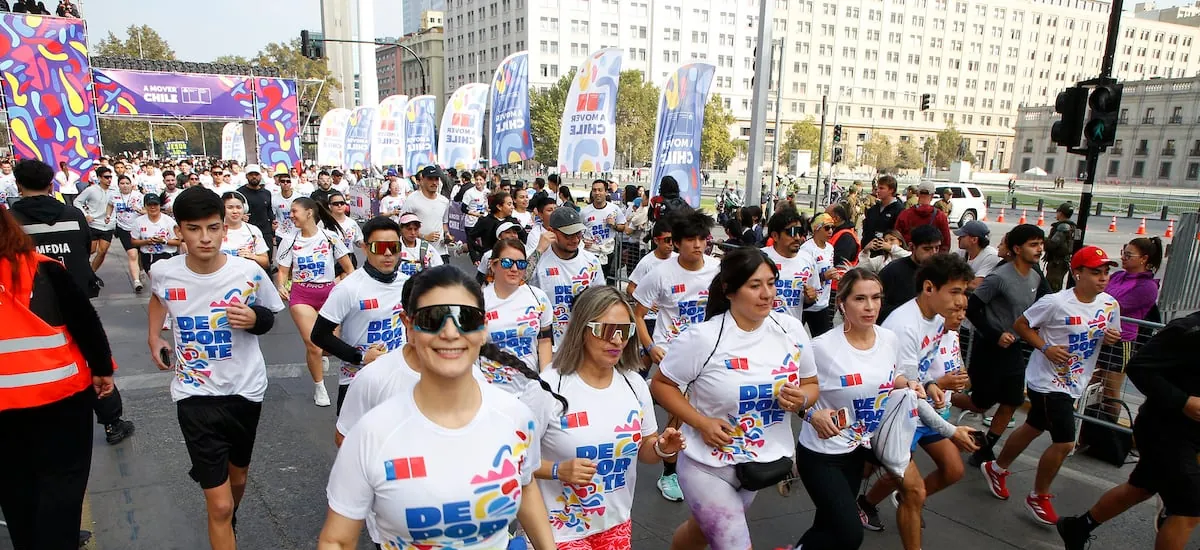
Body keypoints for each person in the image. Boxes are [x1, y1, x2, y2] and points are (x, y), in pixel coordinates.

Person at [317, 266, 558, 550]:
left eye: (466, 318)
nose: (450, 333)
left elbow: (525, 484)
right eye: (432, 319)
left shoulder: (516, 418)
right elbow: (336, 540)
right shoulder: (372, 433)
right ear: (409, 326)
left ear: (483, 330)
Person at [650, 247, 818, 550]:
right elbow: (661, 385)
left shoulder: (790, 329)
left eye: (771, 282)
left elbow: (811, 384)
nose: (767, 293)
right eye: (755, 285)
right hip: (706, 465)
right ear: (729, 290)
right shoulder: (703, 337)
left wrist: (802, 398)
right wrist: (701, 423)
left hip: (757, 463)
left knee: (700, 532)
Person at [146, 187, 285, 550]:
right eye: (194, 229)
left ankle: (226, 517)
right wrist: (154, 337)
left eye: (213, 228)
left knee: (237, 481)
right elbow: (157, 300)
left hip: (244, 390)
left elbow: (270, 317)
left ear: (226, 229)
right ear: (179, 231)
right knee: (219, 504)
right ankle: (222, 518)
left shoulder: (248, 271)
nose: (204, 238)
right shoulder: (163, 271)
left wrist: (255, 318)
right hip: (194, 393)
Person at [0, 205, 117, 550]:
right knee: (62, 484)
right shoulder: (44, 269)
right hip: (60, 397)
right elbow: (85, 322)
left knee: (13, 487)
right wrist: (102, 370)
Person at [981, 246, 1122, 525]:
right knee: (1065, 442)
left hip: (1074, 381)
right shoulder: (1056, 302)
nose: (1103, 277)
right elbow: (1021, 325)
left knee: (1034, 424)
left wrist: (1109, 338)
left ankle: (996, 467)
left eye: (1106, 272)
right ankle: (1038, 496)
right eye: (1096, 272)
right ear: (1077, 273)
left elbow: (1107, 335)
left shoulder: (1110, 305)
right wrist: (1046, 347)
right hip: (1047, 381)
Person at [540, 285, 686, 548]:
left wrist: (663, 448)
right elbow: (510, 460)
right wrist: (556, 470)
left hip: (615, 523)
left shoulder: (634, 384)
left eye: (625, 331)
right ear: (583, 330)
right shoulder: (549, 386)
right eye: (607, 331)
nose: (617, 340)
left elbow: (645, 449)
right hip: (557, 530)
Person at [857, 254, 978, 545]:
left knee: (952, 470)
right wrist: (952, 430)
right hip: (892, 412)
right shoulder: (904, 325)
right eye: (955, 292)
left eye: (964, 292)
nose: (960, 302)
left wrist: (932, 384)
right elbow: (906, 389)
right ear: (928, 288)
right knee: (909, 489)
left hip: (915, 406)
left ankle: (871, 494)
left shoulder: (937, 318)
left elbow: (918, 374)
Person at [1056, 311, 1200, 550]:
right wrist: (1182, 401)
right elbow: (1139, 367)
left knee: (1140, 488)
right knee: (1190, 508)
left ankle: (1078, 527)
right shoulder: (1188, 330)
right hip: (1164, 431)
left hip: (1191, 435)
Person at [633, 210, 719, 503]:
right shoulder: (660, 273)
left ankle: (706, 462)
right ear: (677, 243)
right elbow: (638, 313)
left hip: (709, 350)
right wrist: (649, 347)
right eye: (690, 239)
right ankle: (669, 472)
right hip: (671, 351)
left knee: (708, 405)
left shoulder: (718, 270)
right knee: (679, 409)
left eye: (702, 239)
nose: (697, 245)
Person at [958, 224, 1048, 466]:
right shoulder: (999, 277)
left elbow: (1046, 305)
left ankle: (985, 449)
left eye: (1040, 244)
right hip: (989, 348)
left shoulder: (1036, 277)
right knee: (980, 404)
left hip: (1015, 349)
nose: (1039, 249)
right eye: (1033, 245)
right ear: (1017, 249)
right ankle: (938, 397)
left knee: (1012, 401)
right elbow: (972, 309)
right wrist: (995, 334)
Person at [311, 217, 408, 415]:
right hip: (357, 381)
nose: (388, 253)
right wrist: (361, 357)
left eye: (393, 246)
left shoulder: (408, 284)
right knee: (352, 444)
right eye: (379, 248)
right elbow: (319, 335)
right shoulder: (349, 288)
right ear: (365, 248)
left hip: (398, 379)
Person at [276, 197, 354, 407]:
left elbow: (349, 269)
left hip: (329, 294)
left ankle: (323, 355)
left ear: (309, 212)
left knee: (329, 346)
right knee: (313, 344)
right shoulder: (290, 239)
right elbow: (283, 270)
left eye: (294, 211)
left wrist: (338, 284)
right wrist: (282, 285)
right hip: (302, 295)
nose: (291, 216)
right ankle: (319, 387)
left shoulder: (330, 237)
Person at [1090, 236, 1164, 416]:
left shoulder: (1147, 287)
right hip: (1099, 336)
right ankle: (1087, 428)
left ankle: (1111, 432)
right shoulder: (1118, 276)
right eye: (1124, 252)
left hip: (1120, 342)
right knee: (1089, 384)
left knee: (1110, 392)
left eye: (1129, 255)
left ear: (1144, 259)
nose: (1123, 257)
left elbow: (1113, 304)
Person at [530, 207, 603, 352]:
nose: (575, 239)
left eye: (578, 234)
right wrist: (538, 251)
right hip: (548, 346)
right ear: (551, 231)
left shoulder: (591, 261)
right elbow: (517, 283)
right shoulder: (538, 259)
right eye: (568, 235)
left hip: (582, 344)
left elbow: (601, 301)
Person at [483, 238, 554, 371]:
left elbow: (544, 341)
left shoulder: (539, 298)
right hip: (490, 387)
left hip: (530, 384)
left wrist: (546, 378)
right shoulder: (479, 302)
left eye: (521, 263)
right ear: (493, 265)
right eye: (507, 263)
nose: (514, 269)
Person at [761, 207, 818, 321]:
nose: (797, 237)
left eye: (799, 232)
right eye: (791, 232)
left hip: (791, 331)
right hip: (761, 329)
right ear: (775, 236)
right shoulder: (760, 258)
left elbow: (811, 298)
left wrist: (810, 298)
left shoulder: (808, 260)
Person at [878, 225, 942, 322]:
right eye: (927, 249)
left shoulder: (941, 272)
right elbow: (878, 306)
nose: (933, 253)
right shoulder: (892, 271)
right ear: (912, 247)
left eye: (936, 248)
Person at [799, 213, 842, 337]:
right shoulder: (806, 249)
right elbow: (802, 276)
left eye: (833, 228)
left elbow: (829, 267)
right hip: (806, 304)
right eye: (827, 228)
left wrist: (835, 275)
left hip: (823, 302)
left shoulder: (830, 248)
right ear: (816, 229)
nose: (831, 231)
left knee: (823, 341)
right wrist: (823, 277)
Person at [402, 165, 453, 264]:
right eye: (430, 179)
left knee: (444, 279)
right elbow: (401, 226)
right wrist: (424, 236)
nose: (434, 182)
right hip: (419, 252)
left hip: (441, 252)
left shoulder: (444, 201)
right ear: (422, 179)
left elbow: (444, 223)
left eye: (436, 179)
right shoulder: (412, 199)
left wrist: (447, 235)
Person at [581, 179, 627, 282]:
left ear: (606, 192)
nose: (597, 193)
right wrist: (582, 241)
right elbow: (579, 231)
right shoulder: (585, 212)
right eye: (594, 190)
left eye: (600, 190)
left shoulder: (614, 209)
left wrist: (613, 225)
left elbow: (622, 227)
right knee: (591, 281)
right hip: (591, 253)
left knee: (606, 280)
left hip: (608, 252)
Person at [75, 166, 116, 274]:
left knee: (102, 251)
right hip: (93, 224)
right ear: (99, 178)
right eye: (106, 177)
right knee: (91, 250)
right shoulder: (91, 190)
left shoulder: (115, 190)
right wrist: (85, 214)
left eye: (110, 177)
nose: (109, 179)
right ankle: (82, 267)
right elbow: (77, 202)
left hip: (108, 225)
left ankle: (92, 273)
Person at [111, 174, 147, 292]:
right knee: (132, 254)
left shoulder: (139, 196)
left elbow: (147, 211)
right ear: (118, 185)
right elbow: (109, 205)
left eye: (127, 183)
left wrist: (139, 210)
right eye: (122, 183)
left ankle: (141, 269)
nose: (125, 186)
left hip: (138, 228)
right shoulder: (114, 196)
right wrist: (108, 215)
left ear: (131, 184)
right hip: (123, 229)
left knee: (140, 254)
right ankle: (136, 281)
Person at [130, 193, 180, 277]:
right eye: (149, 205)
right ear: (145, 206)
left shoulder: (169, 221)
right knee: (156, 282)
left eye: (155, 204)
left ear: (160, 205)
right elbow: (133, 241)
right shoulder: (138, 222)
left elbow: (178, 242)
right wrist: (146, 241)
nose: (152, 207)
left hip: (168, 255)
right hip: (149, 256)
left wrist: (163, 241)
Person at [894, 181, 951, 254]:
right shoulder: (940, 216)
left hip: (908, 257)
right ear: (932, 195)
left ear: (918, 194)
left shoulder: (905, 214)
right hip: (931, 260)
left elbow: (896, 237)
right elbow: (946, 243)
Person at [219, 192, 270, 269]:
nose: (235, 211)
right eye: (230, 207)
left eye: (238, 207)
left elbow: (266, 263)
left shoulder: (253, 231)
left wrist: (252, 256)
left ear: (245, 209)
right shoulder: (215, 230)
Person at [235, 165, 276, 261]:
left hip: (266, 233)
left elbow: (269, 211)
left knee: (266, 261)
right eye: (251, 174)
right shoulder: (239, 193)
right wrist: (240, 216)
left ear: (260, 176)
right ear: (246, 176)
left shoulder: (267, 193)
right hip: (247, 233)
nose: (254, 177)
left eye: (256, 174)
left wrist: (273, 229)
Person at [955, 220, 1002, 289]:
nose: (958, 238)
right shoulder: (961, 251)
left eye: (962, 236)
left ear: (974, 240)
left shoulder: (991, 256)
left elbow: (976, 284)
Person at [326, 191, 364, 272]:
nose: (339, 205)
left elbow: (358, 241)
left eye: (342, 203)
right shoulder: (324, 224)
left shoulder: (352, 223)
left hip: (349, 258)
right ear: (330, 206)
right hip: (330, 260)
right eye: (335, 204)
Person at [1044, 203, 1079, 292]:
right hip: (1066, 261)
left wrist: (1043, 239)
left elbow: (1052, 244)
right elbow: (1078, 242)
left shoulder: (1062, 227)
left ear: (1061, 213)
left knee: (1052, 287)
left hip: (1057, 262)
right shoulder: (1075, 227)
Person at [396, 212, 443, 276]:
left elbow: (440, 268)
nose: (413, 233)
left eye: (416, 229)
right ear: (401, 228)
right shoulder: (393, 246)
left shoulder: (426, 247)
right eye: (409, 229)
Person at [863, 176, 904, 243]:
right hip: (869, 249)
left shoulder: (899, 210)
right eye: (877, 188)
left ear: (891, 190)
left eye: (881, 188)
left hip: (887, 250)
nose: (878, 191)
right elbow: (867, 229)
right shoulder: (873, 209)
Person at [826, 202, 860, 268]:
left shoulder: (847, 237)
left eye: (826, 216)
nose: (823, 219)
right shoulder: (836, 231)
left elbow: (839, 261)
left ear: (836, 218)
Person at [271, 171, 301, 243]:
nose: (285, 183)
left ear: (291, 183)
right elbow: (273, 216)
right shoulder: (274, 198)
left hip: (296, 232)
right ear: (279, 183)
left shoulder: (298, 197)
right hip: (280, 234)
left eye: (288, 181)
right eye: (283, 181)